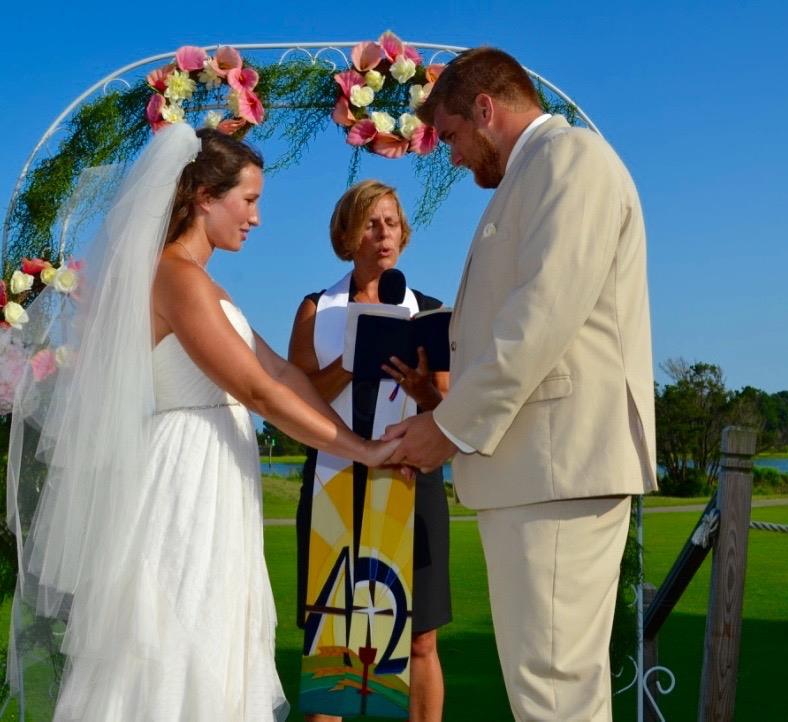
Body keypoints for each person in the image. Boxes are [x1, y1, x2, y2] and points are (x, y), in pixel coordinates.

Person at [6, 124, 398, 721]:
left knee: (213, 632)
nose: (257, 218)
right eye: (249, 200)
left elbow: (282, 373)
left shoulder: (205, 283)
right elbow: (257, 390)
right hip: (185, 481)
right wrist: (362, 452)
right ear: (204, 198)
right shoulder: (176, 277)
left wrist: (357, 441)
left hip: (217, 476)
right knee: (178, 639)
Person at [383, 48, 657, 721]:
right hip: (535, 470)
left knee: (552, 691)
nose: (451, 156)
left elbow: (543, 313)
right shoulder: (533, 174)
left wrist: (447, 427)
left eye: (451, 135)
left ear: (486, 108)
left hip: (557, 468)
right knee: (550, 688)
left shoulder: (572, 160)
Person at [288, 180, 452, 722]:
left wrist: (422, 388)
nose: (384, 233)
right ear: (347, 235)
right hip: (334, 479)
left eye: (392, 222)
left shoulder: (428, 312)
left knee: (420, 638)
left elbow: (448, 406)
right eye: (370, 223)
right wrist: (351, 360)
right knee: (332, 636)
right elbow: (294, 397)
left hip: (410, 479)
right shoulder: (317, 309)